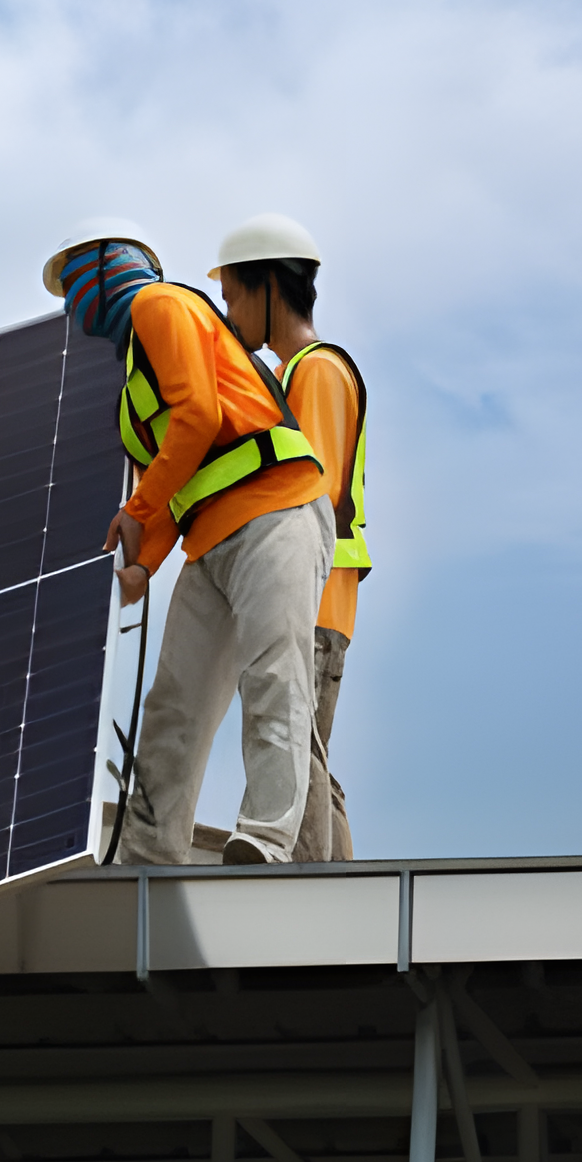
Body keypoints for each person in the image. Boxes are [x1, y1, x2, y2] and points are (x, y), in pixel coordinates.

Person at [42, 218, 332, 865]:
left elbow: (199, 416)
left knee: (273, 677)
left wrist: (136, 512)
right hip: (212, 543)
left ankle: (265, 839)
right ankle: (149, 853)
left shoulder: (160, 303)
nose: (69, 306)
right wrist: (142, 565)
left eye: (71, 285)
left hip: (277, 511)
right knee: (175, 704)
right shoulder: (132, 392)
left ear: (105, 267)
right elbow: (177, 485)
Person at [211, 214, 364, 862]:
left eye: (233, 294)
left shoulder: (315, 371)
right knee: (305, 758)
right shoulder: (296, 372)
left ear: (270, 287)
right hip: (311, 594)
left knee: (289, 752)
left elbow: (312, 494)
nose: (227, 309)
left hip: (310, 596)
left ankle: (303, 906)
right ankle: (346, 903)